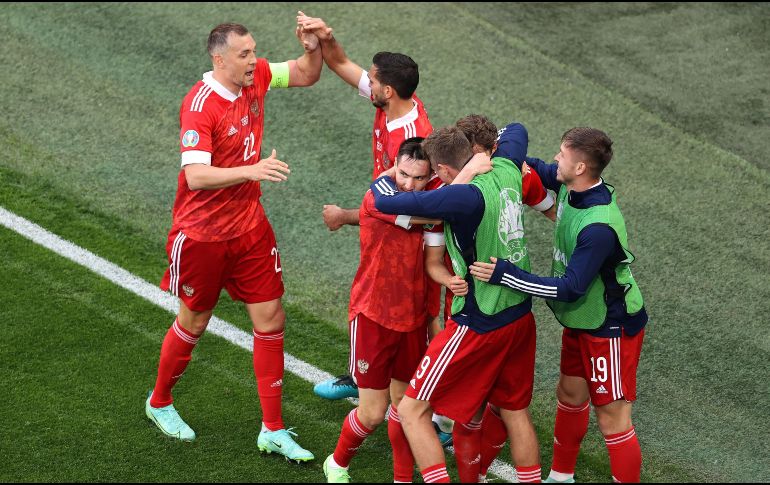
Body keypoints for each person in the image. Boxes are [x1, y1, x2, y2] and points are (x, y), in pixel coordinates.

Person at [144, 21, 322, 463]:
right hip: (202, 237)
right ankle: (160, 402)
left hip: (249, 230)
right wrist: (252, 170)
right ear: (218, 59)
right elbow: (195, 176)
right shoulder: (200, 105)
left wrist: (314, 48)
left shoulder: (256, 74)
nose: (253, 60)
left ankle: (273, 429)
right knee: (194, 322)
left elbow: (304, 73)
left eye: (253, 51)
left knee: (271, 319)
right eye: (244, 54)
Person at [470, 127, 648, 483]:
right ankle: (561, 476)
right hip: (583, 320)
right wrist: (498, 153)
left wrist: (507, 275)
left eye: (562, 154)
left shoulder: (598, 227)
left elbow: (570, 288)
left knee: (612, 417)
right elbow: (532, 165)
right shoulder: (574, 183)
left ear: (580, 167)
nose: (555, 159)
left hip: (609, 324)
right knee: (569, 393)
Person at [372, 126, 544, 483]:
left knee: (411, 410)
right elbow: (516, 130)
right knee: (515, 413)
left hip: (479, 323)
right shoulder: (507, 167)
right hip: (519, 317)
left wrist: (399, 174)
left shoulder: (459, 198)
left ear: (444, 171)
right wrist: (483, 159)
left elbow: (384, 200)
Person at [297, 13, 445, 409]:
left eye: (375, 81)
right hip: (388, 224)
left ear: (389, 90)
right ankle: (367, 376)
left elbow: (404, 207)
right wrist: (326, 37)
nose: (369, 83)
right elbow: (342, 64)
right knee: (381, 306)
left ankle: (439, 413)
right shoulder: (396, 103)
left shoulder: (412, 144)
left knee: (419, 317)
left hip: (409, 238)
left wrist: (344, 217)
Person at [323, 138, 445, 483]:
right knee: (373, 413)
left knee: (407, 407)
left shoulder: (430, 191)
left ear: (431, 173)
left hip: (413, 318)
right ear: (394, 164)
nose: (408, 184)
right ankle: (337, 462)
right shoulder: (379, 196)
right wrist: (448, 203)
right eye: (403, 174)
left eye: (419, 178)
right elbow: (439, 212)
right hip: (374, 317)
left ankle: (401, 478)